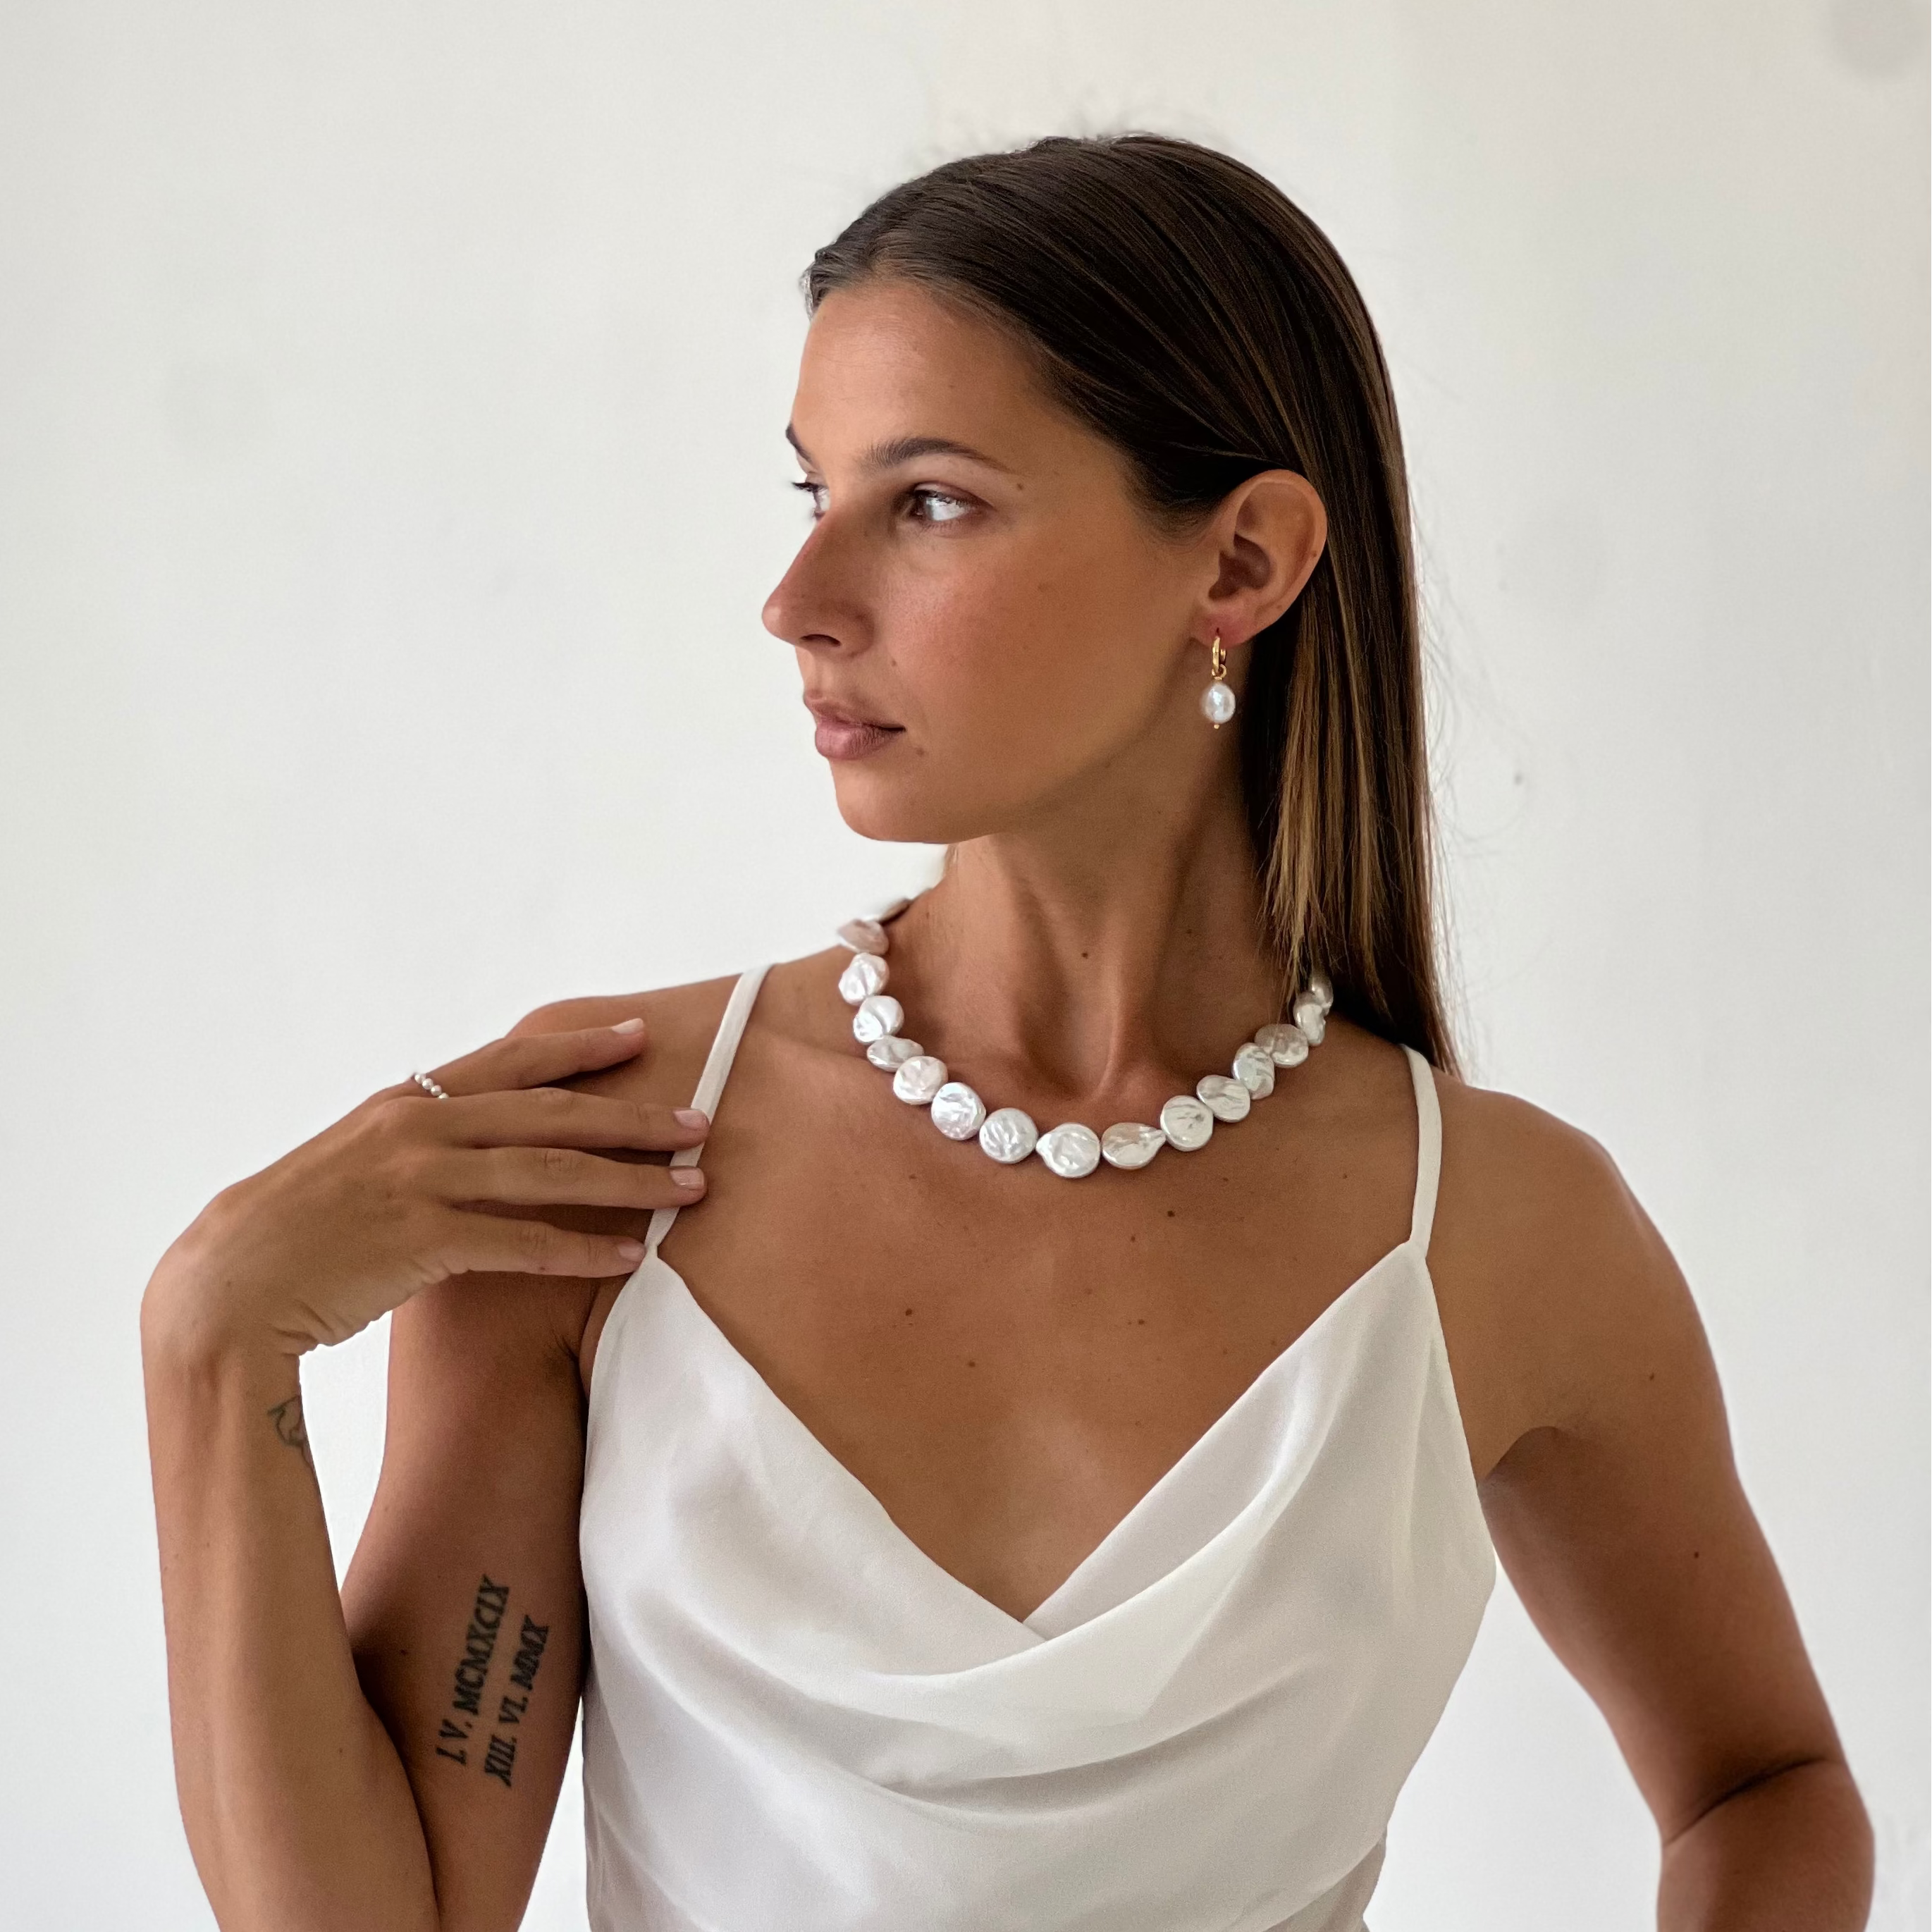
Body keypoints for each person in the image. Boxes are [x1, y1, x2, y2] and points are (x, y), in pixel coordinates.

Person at [140, 133, 1873, 1931]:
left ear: (1244, 563)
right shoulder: (602, 1158)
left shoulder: (1502, 1232)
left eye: (931, 500)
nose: (798, 599)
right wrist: (211, 1342)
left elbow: (1764, 1787)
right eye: (806, 491)